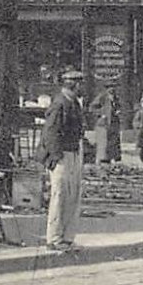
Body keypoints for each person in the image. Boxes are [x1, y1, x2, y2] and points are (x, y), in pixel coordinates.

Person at [41, 69, 88, 251]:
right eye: (80, 84)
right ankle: (53, 238)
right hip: (61, 156)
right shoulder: (59, 104)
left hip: (73, 152)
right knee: (59, 195)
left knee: (72, 196)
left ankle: (67, 237)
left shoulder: (74, 103)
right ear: (74, 85)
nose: (82, 87)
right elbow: (50, 133)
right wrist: (56, 157)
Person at [89, 79, 123, 164]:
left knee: (113, 142)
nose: (112, 89)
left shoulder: (116, 98)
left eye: (114, 87)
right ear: (107, 88)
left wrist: (118, 111)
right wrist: (101, 113)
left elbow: (117, 107)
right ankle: (102, 159)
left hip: (114, 122)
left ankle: (113, 158)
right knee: (103, 142)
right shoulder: (102, 96)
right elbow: (92, 108)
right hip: (104, 123)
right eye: (110, 87)